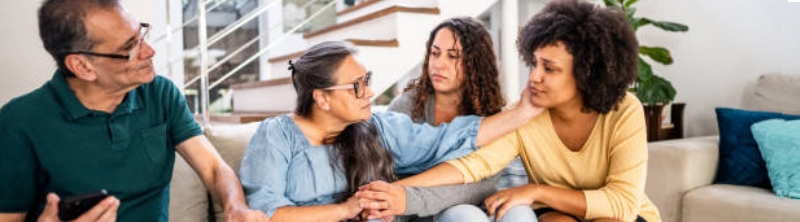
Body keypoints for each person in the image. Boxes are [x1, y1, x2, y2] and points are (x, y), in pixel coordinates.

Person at [366, 0, 661, 221]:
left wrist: (537, 191)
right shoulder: (527, 113)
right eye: (534, 64)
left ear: (586, 74)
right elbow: (472, 166)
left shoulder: (624, 111)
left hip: (621, 213)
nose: (534, 77)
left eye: (550, 68)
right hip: (557, 212)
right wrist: (396, 190)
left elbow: (622, 203)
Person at [0, 0, 267, 221]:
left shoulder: (161, 94)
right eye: (129, 47)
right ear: (82, 66)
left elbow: (213, 168)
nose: (149, 50)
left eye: (141, 34)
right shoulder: (19, 122)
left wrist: (235, 206)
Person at [238, 41, 542, 222]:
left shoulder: (377, 126)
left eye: (368, 80)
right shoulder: (276, 136)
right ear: (322, 98)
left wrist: (522, 112)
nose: (370, 93)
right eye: (358, 85)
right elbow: (268, 214)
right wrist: (345, 209)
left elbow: (447, 140)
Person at [380, 17, 532, 221]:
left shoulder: (493, 118)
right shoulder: (405, 108)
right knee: (465, 216)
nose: (438, 64)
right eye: (434, 53)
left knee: (519, 212)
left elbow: (477, 188)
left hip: (472, 202)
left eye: (453, 56)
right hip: (418, 211)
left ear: (475, 65)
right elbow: (386, 181)